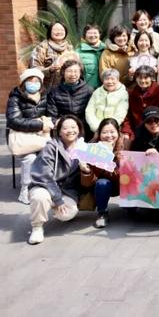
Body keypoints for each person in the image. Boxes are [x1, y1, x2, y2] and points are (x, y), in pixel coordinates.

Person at [26, 115, 82, 245]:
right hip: (44, 185)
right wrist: (57, 198)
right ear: (59, 131)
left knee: (68, 213)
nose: (70, 130)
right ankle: (37, 227)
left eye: (74, 127)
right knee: (40, 197)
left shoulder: (84, 147)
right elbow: (44, 175)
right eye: (65, 128)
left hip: (66, 190)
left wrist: (85, 170)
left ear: (79, 129)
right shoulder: (50, 147)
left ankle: (50, 205)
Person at [7, 67, 53, 204]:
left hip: (42, 136)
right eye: (30, 81)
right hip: (23, 137)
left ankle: (46, 186)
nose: (33, 84)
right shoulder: (15, 97)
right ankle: (25, 189)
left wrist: (48, 123)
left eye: (37, 81)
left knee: (51, 153)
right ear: (23, 83)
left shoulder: (45, 95)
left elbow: (51, 114)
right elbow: (14, 120)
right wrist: (39, 124)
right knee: (30, 158)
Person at [80, 118, 124, 228]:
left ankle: (132, 207)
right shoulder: (92, 147)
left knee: (130, 210)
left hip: (122, 183)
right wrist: (86, 170)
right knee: (102, 183)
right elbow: (87, 183)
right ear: (99, 134)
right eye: (104, 132)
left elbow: (122, 175)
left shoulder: (125, 145)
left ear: (118, 133)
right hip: (102, 186)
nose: (109, 135)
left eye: (112, 132)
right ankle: (102, 213)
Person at [46, 59, 93, 135]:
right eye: (69, 71)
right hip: (63, 128)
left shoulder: (88, 90)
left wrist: (77, 125)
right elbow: (51, 115)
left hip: (82, 128)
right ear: (63, 72)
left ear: (80, 73)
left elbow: (91, 113)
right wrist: (61, 123)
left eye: (76, 71)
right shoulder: (54, 92)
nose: (73, 74)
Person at [30, 21, 77, 92]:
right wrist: (49, 70)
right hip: (47, 89)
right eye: (55, 30)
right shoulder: (42, 48)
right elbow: (34, 69)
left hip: (67, 88)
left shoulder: (69, 47)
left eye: (61, 30)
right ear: (50, 32)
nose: (58, 32)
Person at [124, 65, 159, 141]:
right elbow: (128, 115)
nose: (142, 81)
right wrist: (127, 131)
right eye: (140, 78)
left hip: (154, 129)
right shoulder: (132, 93)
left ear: (151, 78)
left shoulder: (158, 93)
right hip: (136, 130)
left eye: (146, 78)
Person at [85, 69, 128, 134]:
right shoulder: (97, 92)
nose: (110, 82)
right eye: (107, 79)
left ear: (118, 80)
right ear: (103, 81)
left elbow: (120, 114)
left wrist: (107, 129)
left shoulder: (123, 93)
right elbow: (89, 111)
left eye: (113, 79)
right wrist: (96, 127)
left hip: (113, 129)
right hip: (96, 128)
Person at [77, 24, 105, 89]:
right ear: (84, 36)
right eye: (89, 33)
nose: (92, 35)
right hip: (86, 91)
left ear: (100, 35)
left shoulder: (107, 50)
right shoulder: (78, 52)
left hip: (106, 90)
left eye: (95, 33)